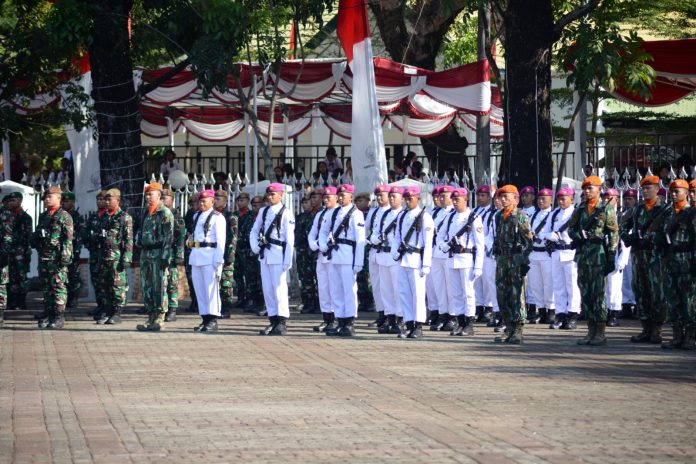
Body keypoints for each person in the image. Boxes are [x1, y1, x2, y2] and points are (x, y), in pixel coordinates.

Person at [569, 176, 619, 346]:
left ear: (599, 189)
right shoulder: (581, 208)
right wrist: (578, 236)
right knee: (586, 293)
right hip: (583, 255)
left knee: (598, 295)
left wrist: (611, 254)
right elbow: (571, 229)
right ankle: (590, 330)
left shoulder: (606, 209)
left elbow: (613, 232)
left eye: (591, 188)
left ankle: (600, 331)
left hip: (598, 256)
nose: (587, 191)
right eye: (585, 188)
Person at [619, 175, 668, 343]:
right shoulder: (638, 209)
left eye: (649, 188)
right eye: (644, 188)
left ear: (657, 189)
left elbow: (667, 231)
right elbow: (622, 225)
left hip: (655, 257)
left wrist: (652, 238)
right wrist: (627, 237)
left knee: (656, 293)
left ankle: (657, 330)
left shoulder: (664, 209)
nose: (646, 191)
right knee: (640, 292)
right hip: (638, 255)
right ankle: (645, 329)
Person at [319, 184, 366, 337]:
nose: (340, 197)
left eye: (343, 195)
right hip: (334, 255)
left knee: (349, 290)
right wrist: (324, 245)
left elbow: (360, 240)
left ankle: (350, 322)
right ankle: (340, 320)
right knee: (336, 289)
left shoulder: (356, 214)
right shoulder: (333, 213)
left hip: (348, 256)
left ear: (351, 196)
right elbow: (324, 231)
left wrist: (358, 262)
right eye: (339, 195)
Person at [437, 187, 483, 337]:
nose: (455, 202)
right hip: (451, 258)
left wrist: (478, 266)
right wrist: (442, 245)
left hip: (466, 258)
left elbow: (480, 244)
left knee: (468, 293)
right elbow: (440, 235)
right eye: (453, 199)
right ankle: (460, 322)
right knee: (455, 293)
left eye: (458, 199)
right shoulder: (450, 217)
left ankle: (469, 324)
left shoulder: (474, 217)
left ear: (466, 199)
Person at [251, 183, 295, 335]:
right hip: (265, 255)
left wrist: (287, 260)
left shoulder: (286, 213)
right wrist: (255, 246)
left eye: (273, 194)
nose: (270, 197)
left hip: (278, 254)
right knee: (268, 290)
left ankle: (281, 321)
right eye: (268, 195)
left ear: (281, 195)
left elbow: (290, 239)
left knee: (279, 289)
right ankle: (272, 319)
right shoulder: (263, 211)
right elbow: (254, 230)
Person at [656, 179, 695, 349]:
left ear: (686, 193)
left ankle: (690, 336)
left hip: (686, 260)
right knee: (672, 298)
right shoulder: (668, 212)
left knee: (689, 300)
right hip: (669, 260)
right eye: (672, 191)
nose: (673, 194)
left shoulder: (691, 213)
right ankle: (677, 335)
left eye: (677, 191)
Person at [492, 185, 533, 344]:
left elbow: (528, 241)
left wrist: (523, 260)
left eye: (506, 197)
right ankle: (508, 327)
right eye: (501, 197)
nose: (503, 200)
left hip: (516, 260)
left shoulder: (521, 216)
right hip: (502, 260)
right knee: (502, 294)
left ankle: (518, 329)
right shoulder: (498, 216)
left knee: (517, 295)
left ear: (515, 199)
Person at [31, 186, 74, 329]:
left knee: (58, 287)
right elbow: (38, 234)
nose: (47, 199)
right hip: (44, 257)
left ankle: (59, 316)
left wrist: (65, 256)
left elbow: (68, 239)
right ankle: (49, 314)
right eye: (45, 197)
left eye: (50, 196)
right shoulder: (44, 216)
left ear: (58, 198)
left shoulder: (64, 216)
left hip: (57, 258)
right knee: (47, 288)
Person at [136, 182, 175, 332]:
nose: (147, 197)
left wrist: (166, 257)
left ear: (159, 195)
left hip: (159, 254)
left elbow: (168, 237)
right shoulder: (146, 212)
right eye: (146, 194)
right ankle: (150, 317)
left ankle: (159, 318)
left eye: (150, 194)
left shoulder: (164, 213)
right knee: (147, 286)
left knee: (159, 285)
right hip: (146, 253)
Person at [541, 188, 580, 330]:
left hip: (571, 252)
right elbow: (543, 232)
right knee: (558, 286)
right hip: (556, 252)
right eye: (559, 198)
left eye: (565, 198)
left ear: (572, 199)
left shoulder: (576, 213)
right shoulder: (554, 214)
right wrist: (549, 235)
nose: (561, 201)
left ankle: (572, 315)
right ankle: (560, 314)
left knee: (572, 286)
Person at [189, 190, 227, 333]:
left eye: (205, 201)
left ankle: (213, 319)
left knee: (211, 289)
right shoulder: (196, 216)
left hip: (210, 256)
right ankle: (204, 318)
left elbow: (221, 241)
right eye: (200, 201)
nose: (201, 203)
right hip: (197, 254)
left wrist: (218, 260)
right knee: (200, 290)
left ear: (212, 201)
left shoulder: (218, 217)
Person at [95, 189, 133, 325]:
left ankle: (117, 312)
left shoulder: (124, 217)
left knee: (118, 285)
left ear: (118, 200)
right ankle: (108, 310)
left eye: (109, 199)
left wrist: (127, 258)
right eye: (105, 199)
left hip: (117, 256)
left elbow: (128, 240)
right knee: (105, 285)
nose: (106, 201)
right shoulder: (104, 217)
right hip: (104, 255)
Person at [370, 186, 405, 334]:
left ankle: (400, 319)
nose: (391, 199)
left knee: (398, 290)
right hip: (382, 255)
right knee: (386, 290)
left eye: (394, 197)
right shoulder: (384, 215)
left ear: (401, 199)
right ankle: (389, 319)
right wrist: (376, 238)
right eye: (389, 196)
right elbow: (373, 233)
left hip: (395, 256)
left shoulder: (404, 215)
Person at [308, 187, 337, 332]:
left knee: (334, 288)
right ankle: (327, 318)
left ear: (336, 197)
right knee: (323, 288)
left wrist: (325, 244)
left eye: (328, 197)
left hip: (334, 256)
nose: (325, 200)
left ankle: (338, 319)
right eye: (324, 197)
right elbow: (313, 232)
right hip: (321, 255)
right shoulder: (320, 214)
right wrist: (314, 244)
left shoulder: (339, 213)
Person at [602, 189, 630, 327]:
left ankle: (613, 313)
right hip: (602, 253)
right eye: (605, 196)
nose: (606, 199)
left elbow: (624, 238)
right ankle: (605, 311)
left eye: (610, 197)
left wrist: (622, 259)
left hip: (616, 253)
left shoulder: (621, 216)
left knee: (614, 286)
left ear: (616, 199)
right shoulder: (600, 214)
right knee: (604, 286)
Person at [526, 188, 554, 324]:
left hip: (546, 253)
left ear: (551, 200)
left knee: (549, 284)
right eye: (539, 198)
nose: (541, 201)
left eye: (544, 198)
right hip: (534, 253)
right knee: (536, 284)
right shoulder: (534, 215)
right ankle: (541, 311)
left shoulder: (553, 215)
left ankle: (551, 311)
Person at [364, 185, 391, 328]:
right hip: (374, 251)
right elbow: (364, 229)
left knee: (388, 286)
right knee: (376, 285)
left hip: (386, 252)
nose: (380, 198)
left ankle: (390, 315)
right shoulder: (373, 212)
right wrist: (368, 239)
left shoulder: (393, 212)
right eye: (378, 195)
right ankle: (381, 313)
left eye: (383, 195)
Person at [427, 186, 453, 329]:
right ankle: (441, 314)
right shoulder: (433, 213)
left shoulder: (455, 213)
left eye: (444, 196)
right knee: (437, 287)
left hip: (449, 254)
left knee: (450, 287)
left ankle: (452, 316)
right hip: (435, 253)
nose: (441, 199)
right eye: (439, 196)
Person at [473, 185, 499, 329]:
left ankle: (489, 308)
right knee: (477, 280)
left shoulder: (493, 213)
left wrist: (486, 245)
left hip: (488, 250)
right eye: (478, 195)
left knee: (490, 281)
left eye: (483, 195)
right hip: (476, 250)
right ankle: (479, 306)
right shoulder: (474, 212)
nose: (480, 198)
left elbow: (489, 232)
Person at [162, 188, 186, 322]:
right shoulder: (158, 214)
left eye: (166, 197)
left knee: (172, 282)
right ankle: (162, 307)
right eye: (162, 197)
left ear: (172, 199)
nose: (163, 199)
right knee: (161, 281)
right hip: (160, 253)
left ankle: (172, 309)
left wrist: (179, 255)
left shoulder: (177, 217)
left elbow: (181, 237)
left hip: (171, 253)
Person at [4, 192, 32, 311]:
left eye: (14, 200)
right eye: (10, 200)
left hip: (20, 252)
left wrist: (10, 239)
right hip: (8, 252)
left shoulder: (25, 217)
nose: (11, 202)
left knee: (21, 277)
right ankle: (12, 301)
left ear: (20, 201)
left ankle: (21, 301)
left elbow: (27, 236)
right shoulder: (6, 216)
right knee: (10, 276)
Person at [213, 189, 238, 318]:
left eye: (219, 198)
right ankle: (215, 307)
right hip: (212, 253)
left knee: (226, 282)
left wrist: (230, 255)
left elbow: (234, 237)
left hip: (226, 253)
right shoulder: (211, 215)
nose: (216, 201)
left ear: (225, 201)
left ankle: (226, 307)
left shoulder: (230, 216)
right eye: (215, 198)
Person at [239, 195, 265, 315]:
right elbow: (242, 232)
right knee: (250, 279)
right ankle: (253, 302)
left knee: (261, 279)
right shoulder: (247, 217)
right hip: (247, 252)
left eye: (257, 204)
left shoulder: (265, 217)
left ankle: (261, 303)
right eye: (253, 204)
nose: (255, 206)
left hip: (260, 253)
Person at [84, 191, 107, 318]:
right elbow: (85, 232)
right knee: (96, 280)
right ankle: (99, 305)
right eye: (98, 199)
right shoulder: (93, 216)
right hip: (94, 254)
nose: (99, 201)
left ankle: (105, 307)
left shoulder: (108, 216)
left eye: (102, 199)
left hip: (105, 254)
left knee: (105, 282)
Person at [295, 196, 319, 314]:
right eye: (303, 203)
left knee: (317, 278)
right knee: (305, 278)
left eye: (307, 202)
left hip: (312, 251)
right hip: (301, 251)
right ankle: (308, 303)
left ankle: (319, 304)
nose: (304, 205)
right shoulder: (299, 217)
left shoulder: (315, 216)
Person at [61, 192, 84, 310]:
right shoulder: (60, 215)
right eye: (63, 201)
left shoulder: (76, 216)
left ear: (73, 202)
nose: (64, 203)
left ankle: (73, 298)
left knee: (73, 275)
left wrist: (76, 250)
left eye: (67, 201)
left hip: (73, 250)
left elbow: (80, 235)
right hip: (61, 252)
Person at [354, 191, 374, 312]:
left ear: (368, 201)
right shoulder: (355, 214)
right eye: (356, 201)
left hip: (368, 248)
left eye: (360, 201)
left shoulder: (371, 213)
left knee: (367, 276)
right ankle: (363, 300)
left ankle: (370, 300)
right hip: (359, 248)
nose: (358, 203)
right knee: (359, 276)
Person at [620, 189, 638, 319]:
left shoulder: (637, 213)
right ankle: (626, 304)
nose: (627, 201)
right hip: (622, 248)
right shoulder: (620, 213)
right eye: (625, 199)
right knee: (624, 279)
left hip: (632, 248)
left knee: (634, 278)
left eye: (630, 199)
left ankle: (636, 305)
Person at [231, 192, 250, 308]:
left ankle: (249, 298)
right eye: (238, 200)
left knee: (248, 275)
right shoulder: (234, 215)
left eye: (242, 200)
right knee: (237, 274)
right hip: (235, 248)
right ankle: (240, 297)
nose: (240, 202)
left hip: (246, 248)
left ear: (247, 201)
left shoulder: (250, 214)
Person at [183, 193, 199, 312]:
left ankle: (200, 302)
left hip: (199, 249)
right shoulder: (189, 215)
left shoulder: (203, 215)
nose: (194, 206)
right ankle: (194, 301)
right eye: (191, 204)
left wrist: (193, 245)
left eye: (195, 203)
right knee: (190, 277)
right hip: (189, 250)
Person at [0, 195, 14, 328]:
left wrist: (4, 252)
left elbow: (8, 235)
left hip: (0, 252)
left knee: (0, 284)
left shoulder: (4, 212)